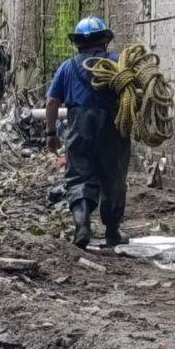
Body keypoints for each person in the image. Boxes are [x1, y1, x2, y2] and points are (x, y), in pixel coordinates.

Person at [45, 16, 130, 249]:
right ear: (104, 40)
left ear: (78, 43)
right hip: (112, 128)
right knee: (114, 178)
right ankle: (112, 232)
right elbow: (135, 91)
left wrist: (51, 133)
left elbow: (52, 102)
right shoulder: (118, 64)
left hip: (78, 127)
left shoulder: (68, 67)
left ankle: (82, 225)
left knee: (80, 176)